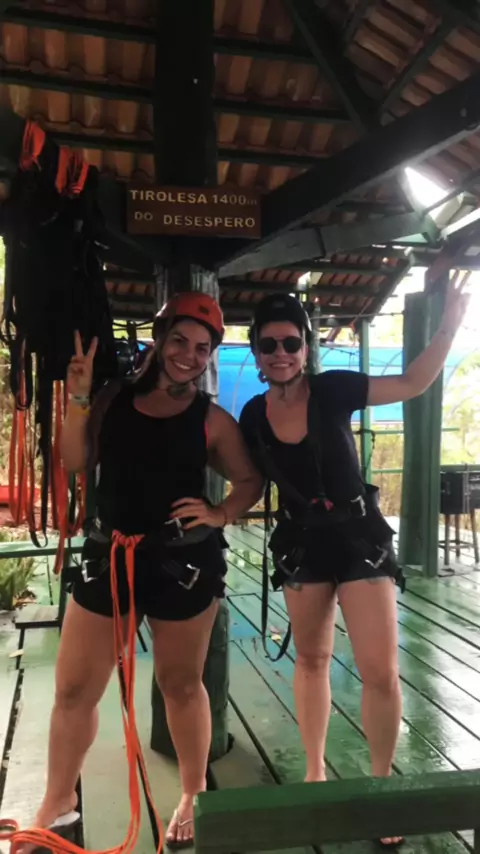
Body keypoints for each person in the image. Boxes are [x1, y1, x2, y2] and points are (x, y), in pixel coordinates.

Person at [239, 280, 468, 848]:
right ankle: (315, 772)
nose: (280, 353)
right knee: (312, 659)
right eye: (268, 345)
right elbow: (246, 480)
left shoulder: (335, 388)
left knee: (379, 669)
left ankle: (382, 784)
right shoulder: (251, 415)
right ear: (256, 352)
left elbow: (412, 382)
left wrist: (449, 323)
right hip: (302, 542)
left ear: (306, 347)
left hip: (359, 537)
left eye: (291, 342)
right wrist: (217, 511)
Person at [31, 292, 263, 850]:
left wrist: (219, 513)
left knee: (181, 685)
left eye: (202, 348)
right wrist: (79, 396)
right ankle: (57, 800)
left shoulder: (211, 420)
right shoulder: (112, 399)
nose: (189, 355)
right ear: (159, 340)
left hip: (182, 563)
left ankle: (191, 793)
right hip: (110, 554)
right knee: (74, 690)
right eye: (180, 340)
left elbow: (251, 481)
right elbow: (74, 461)